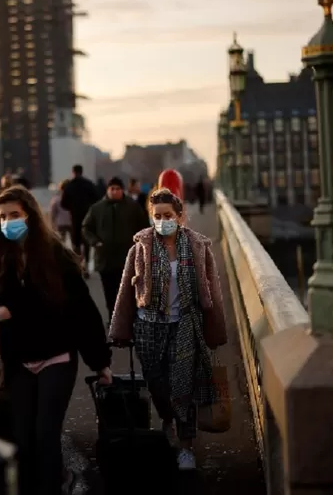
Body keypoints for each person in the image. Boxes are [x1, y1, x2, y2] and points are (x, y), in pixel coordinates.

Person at [0, 186, 112, 495]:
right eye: (3, 216)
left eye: (15, 215)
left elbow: (83, 311)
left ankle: (52, 486)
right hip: (19, 360)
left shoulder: (55, 255)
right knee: (23, 437)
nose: (8, 221)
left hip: (57, 356)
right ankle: (51, 479)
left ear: (30, 216)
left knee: (46, 433)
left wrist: (100, 361)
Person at [109, 188, 228, 471]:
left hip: (185, 324)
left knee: (183, 386)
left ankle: (186, 446)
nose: (163, 221)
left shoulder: (198, 246)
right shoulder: (140, 248)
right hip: (148, 327)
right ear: (152, 217)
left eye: (168, 216)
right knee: (156, 383)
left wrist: (216, 330)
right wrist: (120, 330)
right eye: (157, 216)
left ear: (179, 216)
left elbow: (214, 289)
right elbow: (126, 290)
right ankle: (166, 417)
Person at [81, 177, 148, 317]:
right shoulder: (96, 208)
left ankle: (128, 320)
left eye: (118, 189)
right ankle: (113, 318)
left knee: (127, 291)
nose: (115, 191)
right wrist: (95, 242)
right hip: (105, 258)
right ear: (107, 190)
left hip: (127, 258)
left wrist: (140, 245)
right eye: (112, 189)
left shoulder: (132, 206)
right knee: (109, 291)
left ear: (122, 190)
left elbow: (144, 227)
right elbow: (86, 228)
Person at [60, 164, 100, 278]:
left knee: (75, 242)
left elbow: (63, 203)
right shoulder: (89, 184)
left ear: (73, 172)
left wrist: (72, 207)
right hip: (87, 217)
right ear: (82, 172)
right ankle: (86, 264)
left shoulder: (69, 186)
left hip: (75, 218)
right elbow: (97, 199)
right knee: (86, 241)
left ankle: (79, 264)